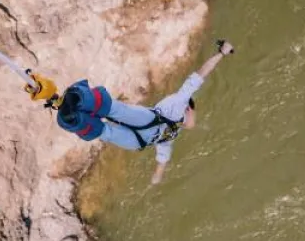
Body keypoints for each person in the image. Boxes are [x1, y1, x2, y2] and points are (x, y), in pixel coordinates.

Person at [52, 39, 235, 184]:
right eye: (194, 114)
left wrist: (157, 176)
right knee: (116, 110)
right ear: (189, 109)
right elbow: (199, 76)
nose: (194, 122)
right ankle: (81, 98)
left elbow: (163, 156)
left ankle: (72, 119)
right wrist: (221, 53)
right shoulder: (180, 102)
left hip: (139, 141)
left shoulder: (172, 134)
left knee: (106, 132)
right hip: (148, 119)